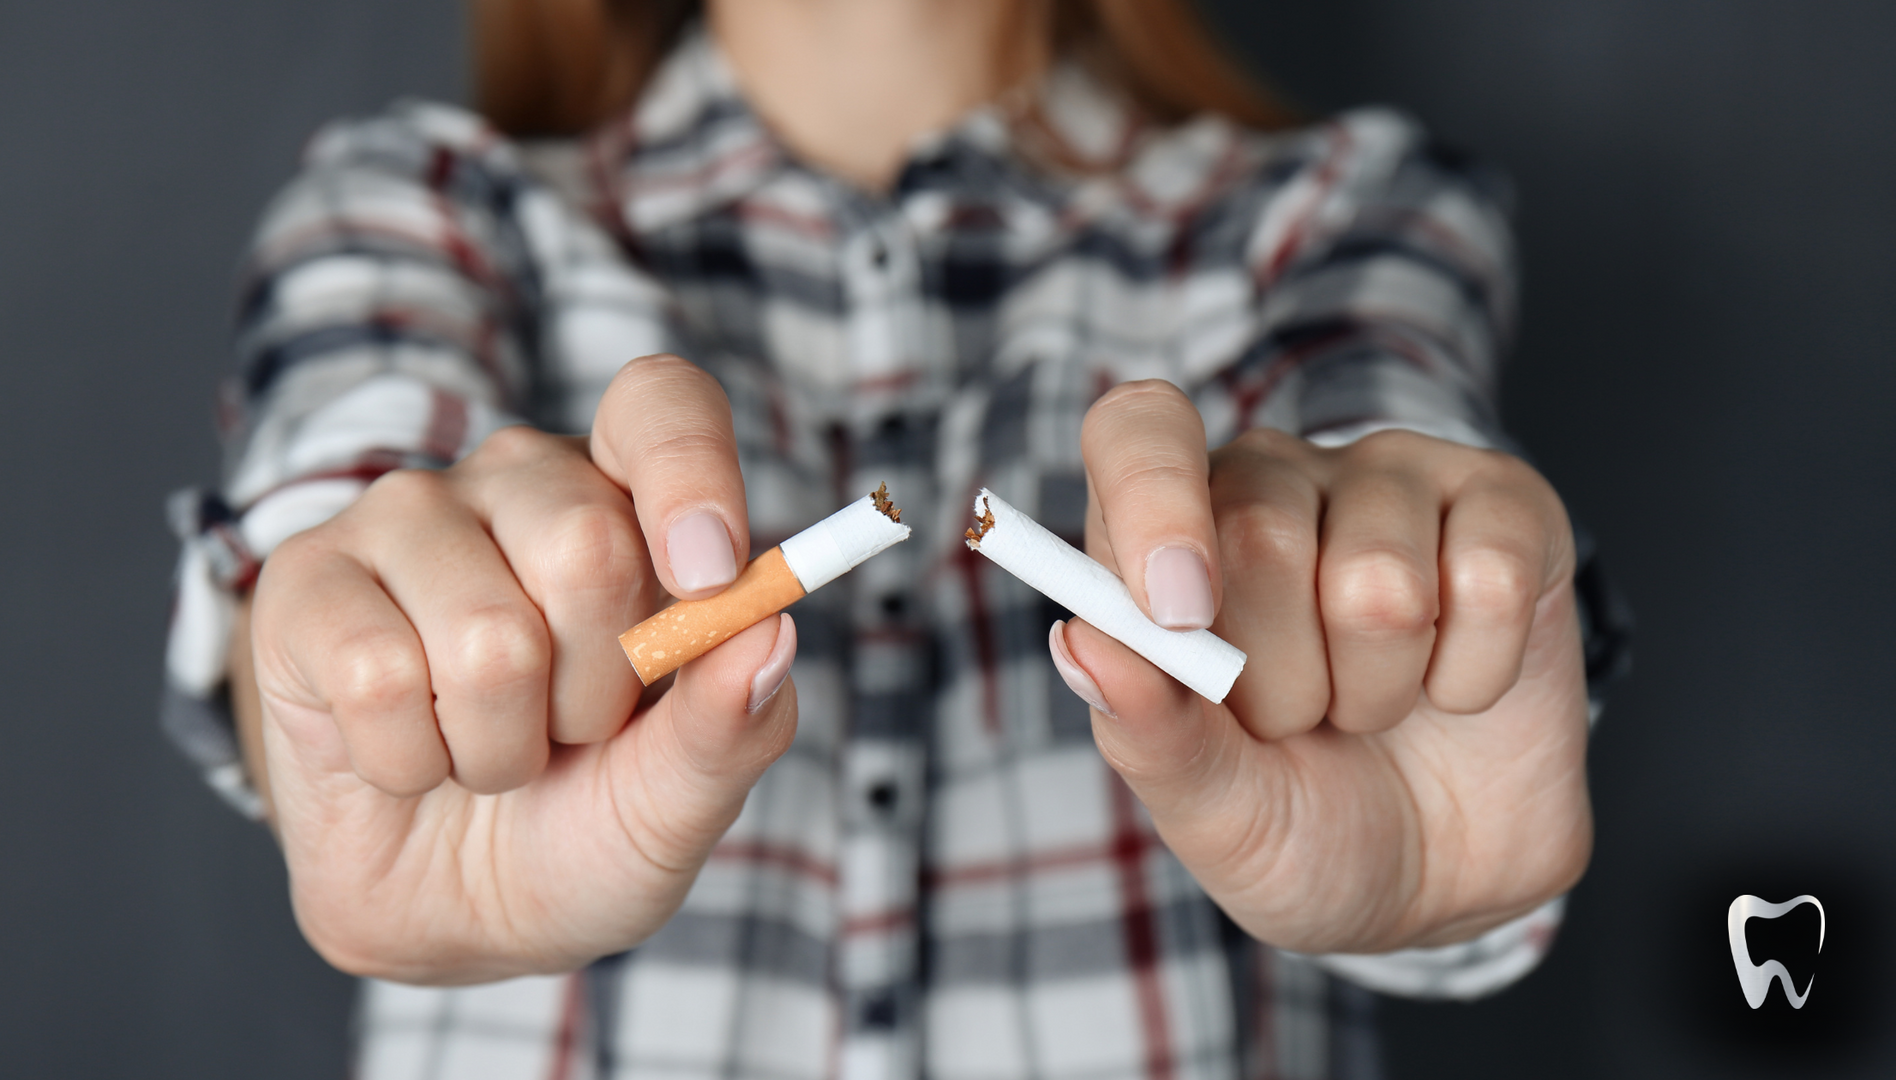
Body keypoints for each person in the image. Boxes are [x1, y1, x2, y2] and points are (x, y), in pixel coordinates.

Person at [161, 0, 1624, 1076]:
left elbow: (1378, 418)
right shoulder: (422, 209)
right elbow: (342, 476)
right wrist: (358, 667)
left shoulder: (1337, 214)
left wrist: (1422, 619)